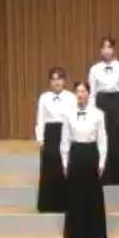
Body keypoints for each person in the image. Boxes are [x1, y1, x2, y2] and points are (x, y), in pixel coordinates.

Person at [61, 81, 108, 238]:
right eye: (78, 91)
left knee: (92, 195)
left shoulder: (98, 114)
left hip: (91, 154)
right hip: (76, 154)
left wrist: (102, 162)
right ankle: (76, 235)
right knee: (76, 195)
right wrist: (65, 162)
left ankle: (95, 235)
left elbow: (102, 140)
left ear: (88, 94)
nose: (80, 94)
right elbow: (65, 140)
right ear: (75, 94)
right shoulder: (68, 114)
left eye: (83, 91)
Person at [87, 36, 119, 185]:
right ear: (100, 50)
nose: (106, 51)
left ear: (114, 49)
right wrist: (91, 110)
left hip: (117, 104)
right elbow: (92, 93)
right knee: (102, 138)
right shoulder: (94, 69)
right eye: (104, 47)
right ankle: (103, 174)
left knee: (117, 141)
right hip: (101, 103)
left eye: (109, 47)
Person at [35, 67, 75, 213]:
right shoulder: (44, 98)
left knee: (64, 167)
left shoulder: (71, 97)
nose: (57, 82)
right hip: (50, 133)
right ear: (50, 82)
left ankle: (65, 204)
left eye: (59, 79)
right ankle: (47, 205)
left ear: (64, 81)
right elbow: (40, 119)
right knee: (50, 167)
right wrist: (40, 139)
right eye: (53, 79)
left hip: (65, 131)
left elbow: (74, 118)